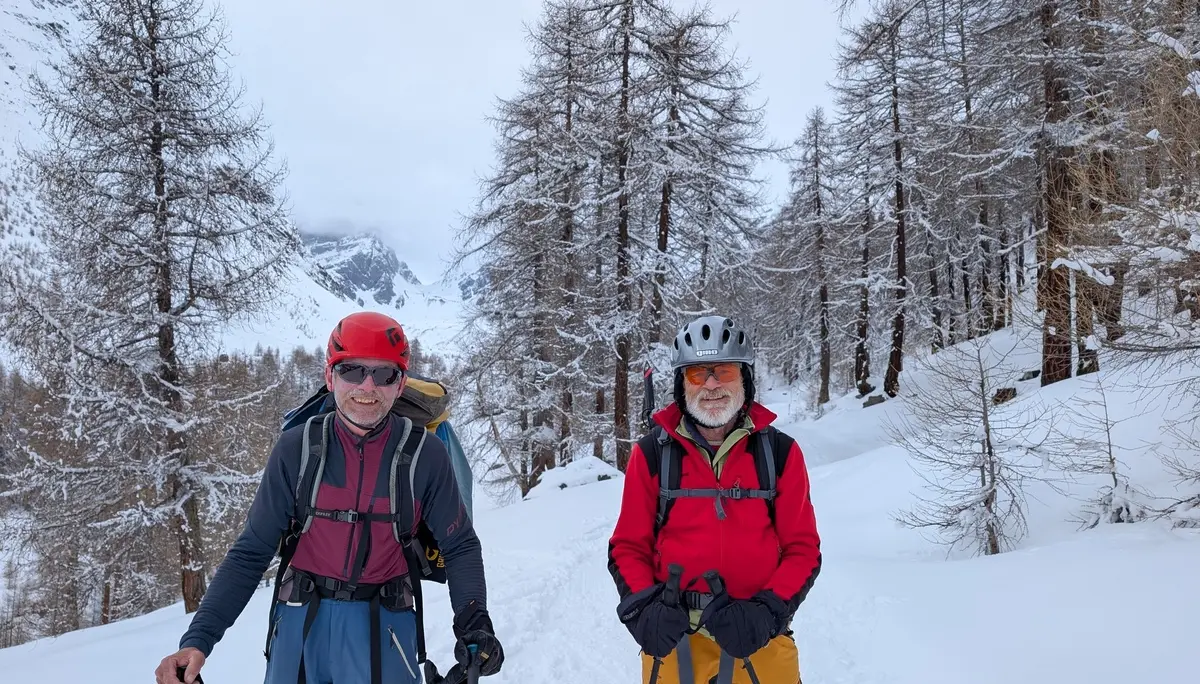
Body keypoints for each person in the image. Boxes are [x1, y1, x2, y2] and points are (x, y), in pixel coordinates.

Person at [154, 311, 503, 684]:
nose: (367, 387)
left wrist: (474, 624)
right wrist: (197, 641)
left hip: (386, 627)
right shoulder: (296, 449)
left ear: (400, 384)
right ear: (329, 376)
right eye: (351, 370)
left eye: (384, 374)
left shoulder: (424, 454)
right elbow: (252, 551)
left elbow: (460, 544)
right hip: (299, 626)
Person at [607, 315, 822, 684]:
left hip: (757, 636)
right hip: (676, 639)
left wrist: (769, 611)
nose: (710, 385)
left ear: (744, 379)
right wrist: (643, 608)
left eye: (723, 371)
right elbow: (627, 547)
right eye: (696, 374)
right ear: (682, 384)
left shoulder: (780, 453)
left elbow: (803, 548)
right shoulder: (653, 455)